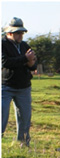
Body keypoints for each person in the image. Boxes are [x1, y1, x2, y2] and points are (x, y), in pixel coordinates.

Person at [2, 17, 37, 147]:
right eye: (18, 33)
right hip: (5, 86)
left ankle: (23, 144)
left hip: (23, 87)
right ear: (9, 33)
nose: (20, 35)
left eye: (22, 33)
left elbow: (32, 64)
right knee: (2, 117)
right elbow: (4, 62)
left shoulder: (24, 46)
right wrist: (25, 59)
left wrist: (31, 62)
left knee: (25, 118)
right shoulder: (2, 44)